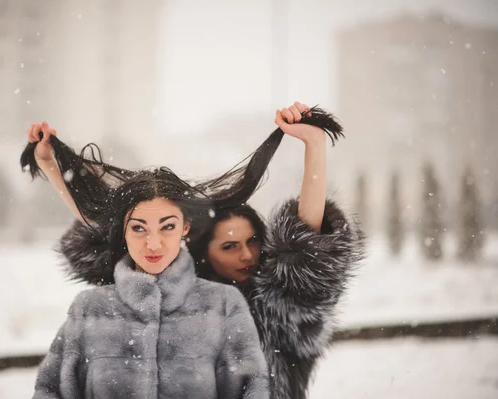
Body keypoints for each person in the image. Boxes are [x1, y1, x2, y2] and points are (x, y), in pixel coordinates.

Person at [24, 101, 364, 399]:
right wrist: (53, 165)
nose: (246, 255)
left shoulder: (268, 305)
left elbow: (308, 253)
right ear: (199, 246)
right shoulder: (129, 301)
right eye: (229, 245)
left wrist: (314, 146)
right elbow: (114, 226)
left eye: (253, 241)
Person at [23, 148, 270, 398]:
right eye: (139, 228)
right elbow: (51, 391)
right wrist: (48, 162)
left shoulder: (224, 305)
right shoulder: (89, 310)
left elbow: (252, 391)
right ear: (123, 231)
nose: (153, 243)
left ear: (185, 228)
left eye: (167, 227)